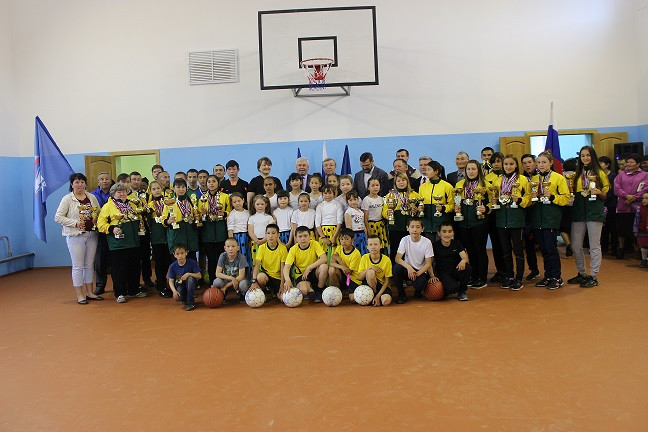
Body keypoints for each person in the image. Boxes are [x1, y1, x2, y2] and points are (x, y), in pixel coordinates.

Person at [55, 173, 102, 304]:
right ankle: (80, 295)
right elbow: (58, 217)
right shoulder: (67, 199)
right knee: (78, 266)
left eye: (82, 182)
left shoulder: (91, 197)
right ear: (72, 185)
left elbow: (97, 212)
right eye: (77, 182)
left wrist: (96, 218)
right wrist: (75, 223)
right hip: (75, 236)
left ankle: (90, 292)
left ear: (85, 184)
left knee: (89, 265)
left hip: (92, 234)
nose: (80, 185)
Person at [567, 146, 610, 288]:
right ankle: (582, 273)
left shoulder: (600, 173)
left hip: (594, 212)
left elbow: (605, 195)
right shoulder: (576, 174)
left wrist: (599, 192)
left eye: (588, 155)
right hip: (578, 212)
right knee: (575, 245)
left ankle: (593, 275)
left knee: (594, 245)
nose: (585, 158)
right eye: (583, 155)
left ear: (593, 156)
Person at [526, 151, 570, 289]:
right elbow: (530, 200)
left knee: (551, 249)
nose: (541, 165)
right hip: (537, 218)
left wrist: (552, 196)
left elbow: (566, 199)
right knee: (543, 250)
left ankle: (557, 277)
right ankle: (548, 276)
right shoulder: (534, 179)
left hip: (551, 217)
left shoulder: (558, 178)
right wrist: (532, 197)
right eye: (539, 162)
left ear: (551, 163)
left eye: (544, 162)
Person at [97, 182, 145, 302]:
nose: (122, 194)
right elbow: (100, 224)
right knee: (119, 269)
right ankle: (119, 293)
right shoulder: (108, 206)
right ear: (113, 194)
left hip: (133, 242)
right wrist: (112, 229)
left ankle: (134, 290)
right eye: (119, 192)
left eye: (124, 191)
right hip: (118, 244)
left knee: (134, 268)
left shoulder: (132, 204)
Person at [492, 154, 530, 290]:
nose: (508, 167)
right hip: (501, 219)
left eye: (511, 164)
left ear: (516, 165)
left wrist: (519, 200)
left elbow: (528, 198)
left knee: (518, 251)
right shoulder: (498, 181)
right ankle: (509, 276)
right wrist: (493, 202)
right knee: (505, 250)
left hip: (516, 219)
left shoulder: (523, 180)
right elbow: (493, 197)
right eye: (506, 164)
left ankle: (519, 278)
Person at [454, 159, 490, 289]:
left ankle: (482, 277)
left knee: (480, 250)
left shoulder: (485, 185)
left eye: (473, 169)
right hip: (464, 223)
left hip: (479, 223)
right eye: (468, 169)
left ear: (478, 170)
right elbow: (456, 200)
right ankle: (473, 276)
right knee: (470, 251)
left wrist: (486, 208)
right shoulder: (460, 184)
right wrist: (456, 207)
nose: (471, 171)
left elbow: (492, 202)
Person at [392, 217, 435, 304]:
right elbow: (397, 258)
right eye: (412, 227)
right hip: (408, 270)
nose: (415, 229)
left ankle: (418, 291)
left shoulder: (427, 242)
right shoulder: (404, 240)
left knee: (419, 285)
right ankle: (401, 294)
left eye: (418, 227)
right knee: (396, 268)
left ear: (422, 229)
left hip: (420, 271)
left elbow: (428, 264)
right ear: (407, 228)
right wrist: (409, 268)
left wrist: (418, 274)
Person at [382, 172, 423, 262]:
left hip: (411, 227)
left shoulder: (415, 195)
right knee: (395, 249)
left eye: (403, 180)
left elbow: (420, 210)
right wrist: (387, 213)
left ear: (407, 181)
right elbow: (384, 211)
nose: (401, 182)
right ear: (395, 183)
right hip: (395, 227)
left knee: (411, 250)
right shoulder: (390, 195)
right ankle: (396, 268)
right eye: (398, 181)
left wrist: (416, 210)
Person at [282, 225, 329, 302]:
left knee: (324, 267)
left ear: (310, 236)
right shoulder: (293, 249)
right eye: (300, 236)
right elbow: (287, 266)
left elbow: (324, 258)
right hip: (302, 275)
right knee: (304, 290)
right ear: (296, 239)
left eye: (305, 236)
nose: (303, 238)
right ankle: (310, 289)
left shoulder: (315, 244)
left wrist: (309, 268)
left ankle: (319, 291)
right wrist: (287, 280)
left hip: (314, 272)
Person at [614, 154, 648, 259]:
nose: (628, 164)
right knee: (622, 229)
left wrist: (634, 198)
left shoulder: (645, 175)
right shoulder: (621, 175)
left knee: (638, 230)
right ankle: (621, 249)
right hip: (623, 206)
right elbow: (616, 188)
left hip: (638, 206)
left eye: (631, 162)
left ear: (638, 164)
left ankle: (640, 251)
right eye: (628, 162)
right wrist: (626, 196)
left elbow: (645, 188)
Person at [199, 175, 230, 285]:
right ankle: (213, 282)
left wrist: (224, 213)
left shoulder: (225, 197)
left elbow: (231, 212)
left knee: (222, 259)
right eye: (209, 181)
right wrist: (202, 214)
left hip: (221, 231)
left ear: (218, 183)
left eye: (214, 181)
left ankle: (224, 282)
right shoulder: (202, 198)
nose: (211, 183)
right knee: (211, 260)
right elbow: (198, 215)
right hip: (208, 233)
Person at [162, 178, 199, 261]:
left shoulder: (190, 200)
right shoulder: (169, 202)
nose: (181, 189)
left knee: (191, 260)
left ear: (186, 188)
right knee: (177, 261)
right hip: (177, 234)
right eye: (178, 187)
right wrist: (168, 221)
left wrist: (196, 217)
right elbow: (163, 218)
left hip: (190, 234)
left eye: (183, 187)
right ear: (174, 189)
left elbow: (195, 213)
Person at [433, 222, 470, 301]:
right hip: (443, 273)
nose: (447, 234)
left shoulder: (457, 243)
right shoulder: (434, 246)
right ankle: (447, 288)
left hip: (455, 270)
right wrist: (432, 276)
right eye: (444, 231)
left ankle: (462, 291)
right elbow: (429, 262)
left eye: (450, 231)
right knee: (453, 288)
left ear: (453, 233)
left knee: (467, 267)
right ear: (439, 233)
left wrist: (463, 261)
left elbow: (465, 257)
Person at [147, 180, 172, 297]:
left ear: (162, 189)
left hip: (169, 236)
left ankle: (167, 282)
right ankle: (161, 285)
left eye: (158, 188)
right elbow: (148, 223)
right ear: (150, 191)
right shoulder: (149, 205)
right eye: (154, 189)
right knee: (159, 262)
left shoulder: (168, 202)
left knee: (168, 261)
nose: (156, 191)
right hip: (157, 238)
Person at [419, 160, 454, 241]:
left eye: (429, 170)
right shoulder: (422, 187)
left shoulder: (447, 186)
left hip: (442, 225)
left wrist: (443, 208)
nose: (426, 171)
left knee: (441, 246)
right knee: (429, 247)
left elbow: (452, 204)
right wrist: (420, 208)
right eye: (426, 170)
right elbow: (420, 203)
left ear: (436, 171)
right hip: (427, 224)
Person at [484, 152, 506, 282]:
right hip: (492, 215)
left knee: (505, 244)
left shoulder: (508, 177)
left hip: (504, 212)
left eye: (499, 161)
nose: (496, 164)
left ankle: (507, 271)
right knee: (496, 244)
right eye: (494, 162)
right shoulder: (487, 178)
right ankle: (499, 271)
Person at [249, 224, 287, 299]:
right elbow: (256, 265)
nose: (270, 236)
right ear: (265, 235)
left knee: (282, 299)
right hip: (266, 276)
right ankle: (264, 292)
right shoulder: (262, 248)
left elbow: (283, 268)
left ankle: (274, 291)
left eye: (273, 233)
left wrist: (282, 285)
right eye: (268, 233)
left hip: (278, 278)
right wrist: (254, 281)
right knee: (260, 277)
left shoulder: (282, 249)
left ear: (278, 235)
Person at [130, 171, 154, 288]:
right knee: (134, 257)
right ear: (130, 181)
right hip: (133, 230)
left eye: (138, 179)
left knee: (146, 255)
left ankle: (147, 278)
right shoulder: (126, 196)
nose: (136, 182)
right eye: (134, 179)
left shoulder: (145, 195)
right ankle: (134, 282)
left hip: (145, 229)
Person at [91, 171, 112, 295]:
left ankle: (119, 285)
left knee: (115, 259)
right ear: (98, 182)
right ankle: (100, 285)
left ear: (110, 180)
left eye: (107, 179)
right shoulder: (92, 195)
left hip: (114, 230)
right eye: (102, 179)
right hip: (99, 231)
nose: (104, 181)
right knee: (100, 260)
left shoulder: (115, 193)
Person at [357, 235, 393, 306]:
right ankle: (373, 295)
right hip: (368, 285)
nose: (373, 247)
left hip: (382, 286)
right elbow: (359, 277)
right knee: (370, 272)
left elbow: (387, 281)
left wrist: (378, 296)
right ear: (367, 247)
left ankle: (376, 297)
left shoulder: (386, 260)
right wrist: (370, 267)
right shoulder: (364, 258)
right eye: (370, 244)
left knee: (386, 301)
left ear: (381, 245)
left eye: (376, 244)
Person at [212, 237, 250, 303]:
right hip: (227, 279)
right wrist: (232, 278)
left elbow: (241, 276)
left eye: (233, 246)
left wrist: (226, 286)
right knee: (216, 282)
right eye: (228, 246)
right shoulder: (222, 256)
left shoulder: (241, 258)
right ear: (225, 248)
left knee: (244, 284)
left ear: (238, 248)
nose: (230, 249)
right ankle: (222, 294)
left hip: (238, 280)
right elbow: (217, 273)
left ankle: (242, 294)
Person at [520, 154, 540, 280]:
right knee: (529, 245)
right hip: (527, 215)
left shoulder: (542, 176)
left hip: (541, 213)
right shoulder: (521, 179)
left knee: (545, 245)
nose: (527, 165)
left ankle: (550, 272)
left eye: (529, 162)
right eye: (524, 163)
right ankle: (534, 269)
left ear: (535, 163)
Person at [167, 243, 202, 311]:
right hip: (180, 284)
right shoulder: (173, 266)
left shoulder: (192, 262)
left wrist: (189, 274)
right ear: (174, 255)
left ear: (186, 253)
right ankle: (184, 298)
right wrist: (174, 291)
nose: (180, 256)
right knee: (179, 297)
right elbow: (171, 280)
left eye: (182, 253)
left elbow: (199, 276)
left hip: (191, 284)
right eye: (177, 254)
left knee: (190, 279)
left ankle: (191, 302)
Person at [329, 228, 362, 297]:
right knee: (332, 270)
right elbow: (331, 263)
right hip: (343, 274)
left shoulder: (356, 253)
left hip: (352, 278)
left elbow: (349, 272)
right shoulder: (339, 248)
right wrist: (342, 267)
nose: (344, 241)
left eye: (347, 239)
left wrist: (338, 259)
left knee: (352, 298)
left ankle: (346, 290)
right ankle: (338, 291)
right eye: (342, 239)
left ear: (353, 240)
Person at [361, 177, 388, 252]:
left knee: (381, 246)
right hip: (371, 225)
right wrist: (368, 231)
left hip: (380, 225)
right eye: (372, 185)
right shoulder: (366, 200)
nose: (375, 187)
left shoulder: (381, 199)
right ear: (368, 187)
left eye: (377, 185)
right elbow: (365, 218)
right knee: (373, 245)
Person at [315, 185, 344, 252]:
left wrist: (334, 237)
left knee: (335, 252)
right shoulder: (320, 206)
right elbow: (317, 223)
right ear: (322, 194)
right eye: (325, 193)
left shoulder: (338, 204)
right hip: (323, 232)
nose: (327, 195)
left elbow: (339, 222)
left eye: (330, 193)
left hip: (335, 231)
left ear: (334, 194)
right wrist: (323, 237)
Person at [248, 195, 276, 263]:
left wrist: (263, 240)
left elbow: (271, 231)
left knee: (267, 260)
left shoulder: (269, 217)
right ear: (254, 205)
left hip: (267, 241)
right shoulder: (252, 218)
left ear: (266, 205)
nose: (260, 206)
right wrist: (257, 241)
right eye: (257, 204)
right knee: (256, 261)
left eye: (262, 204)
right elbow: (250, 231)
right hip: (255, 242)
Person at [599, 156, 618, 255]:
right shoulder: (598, 175)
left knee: (612, 227)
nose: (599, 165)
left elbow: (613, 191)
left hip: (611, 204)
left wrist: (605, 200)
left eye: (601, 163)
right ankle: (604, 247)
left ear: (607, 165)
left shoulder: (613, 176)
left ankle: (614, 248)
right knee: (603, 228)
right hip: (601, 204)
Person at [226, 192, 251, 268]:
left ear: (243, 200)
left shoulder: (248, 213)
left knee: (247, 255)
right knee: (239, 256)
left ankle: (247, 273)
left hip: (246, 236)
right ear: (232, 204)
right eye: (234, 202)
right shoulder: (232, 214)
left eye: (239, 201)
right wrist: (232, 242)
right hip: (237, 238)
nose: (237, 203)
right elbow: (230, 229)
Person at [344, 190, 369, 255]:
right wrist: (350, 240)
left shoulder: (361, 212)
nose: (353, 202)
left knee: (363, 253)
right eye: (350, 200)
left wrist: (366, 237)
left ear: (358, 200)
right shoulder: (348, 212)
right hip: (354, 235)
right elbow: (348, 228)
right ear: (347, 201)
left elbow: (363, 226)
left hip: (362, 235)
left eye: (355, 199)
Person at [634, 193, 648, 268]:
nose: (644, 200)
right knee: (644, 246)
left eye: (646, 198)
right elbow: (636, 220)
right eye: (643, 198)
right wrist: (635, 230)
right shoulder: (639, 209)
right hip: (643, 231)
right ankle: (644, 260)